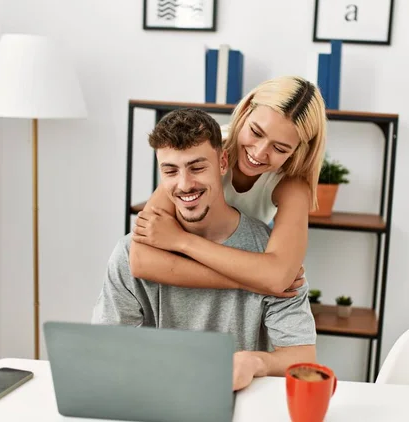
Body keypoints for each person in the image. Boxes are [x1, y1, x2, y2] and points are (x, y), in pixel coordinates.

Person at [92, 109, 316, 391]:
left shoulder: (271, 258)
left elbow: (303, 359)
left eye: (197, 167)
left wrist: (256, 362)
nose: (185, 185)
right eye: (170, 171)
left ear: (223, 162)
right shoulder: (130, 251)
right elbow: (107, 347)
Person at [130, 75, 327, 297]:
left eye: (280, 148)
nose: (259, 153)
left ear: (298, 150)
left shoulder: (292, 184)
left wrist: (181, 241)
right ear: (245, 112)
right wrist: (251, 282)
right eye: (255, 132)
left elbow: (278, 277)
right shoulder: (206, 149)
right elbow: (139, 260)